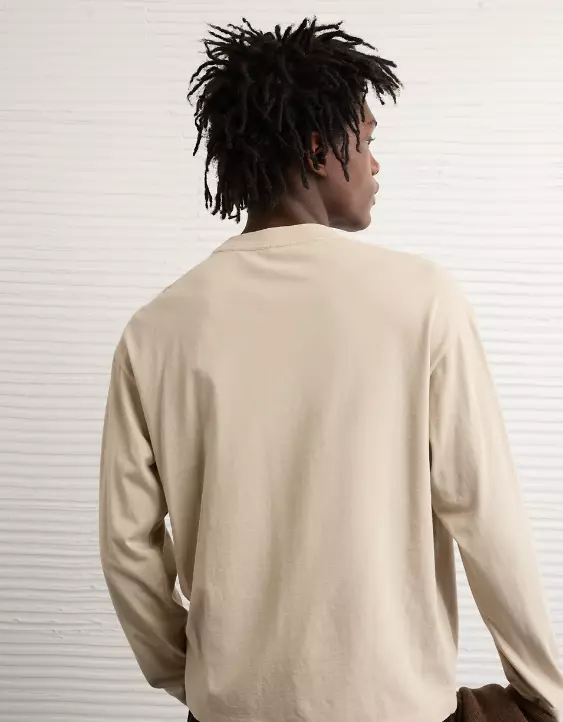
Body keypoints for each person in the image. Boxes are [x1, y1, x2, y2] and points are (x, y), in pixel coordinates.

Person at [98, 16, 563, 722]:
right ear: (319, 150)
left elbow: (127, 548)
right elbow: (485, 515)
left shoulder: (155, 331)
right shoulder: (421, 300)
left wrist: (193, 677)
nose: (375, 165)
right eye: (367, 141)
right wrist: (542, 691)